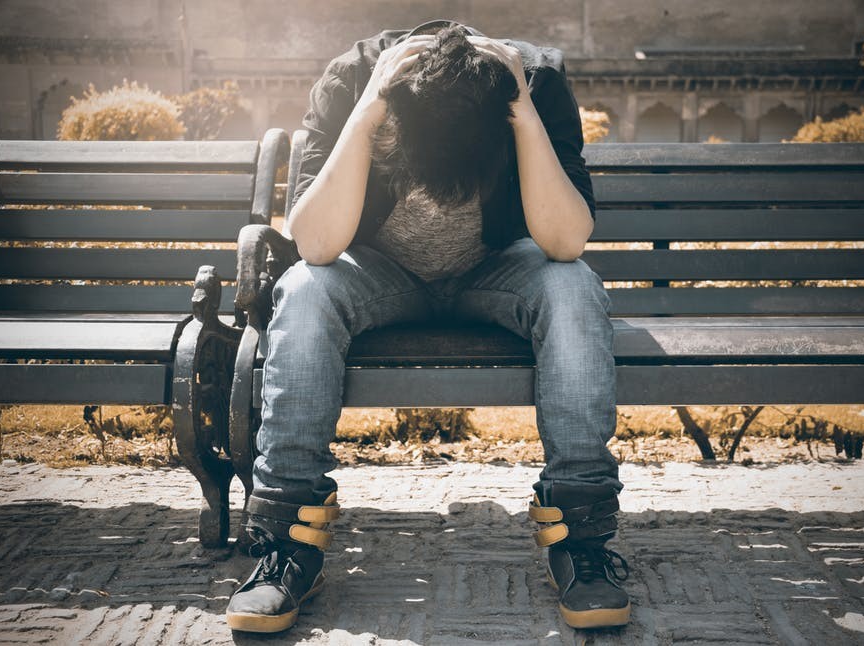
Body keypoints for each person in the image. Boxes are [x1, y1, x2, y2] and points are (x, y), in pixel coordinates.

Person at [225, 19, 629, 634]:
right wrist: (367, 113)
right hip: (380, 273)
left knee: (573, 287)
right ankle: (284, 545)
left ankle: (582, 537)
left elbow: (566, 241)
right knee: (304, 290)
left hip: (497, 269)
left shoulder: (536, 84)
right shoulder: (352, 80)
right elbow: (315, 242)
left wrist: (520, 113)